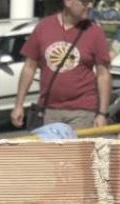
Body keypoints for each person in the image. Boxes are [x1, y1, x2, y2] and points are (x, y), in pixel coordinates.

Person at [10, 0, 113, 131]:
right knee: (51, 152)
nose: (90, 6)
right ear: (68, 2)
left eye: (91, 2)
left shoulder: (94, 32)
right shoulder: (44, 27)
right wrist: (18, 105)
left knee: (74, 151)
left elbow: (103, 74)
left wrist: (102, 114)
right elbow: (29, 67)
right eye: (85, 2)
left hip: (83, 111)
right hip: (48, 110)